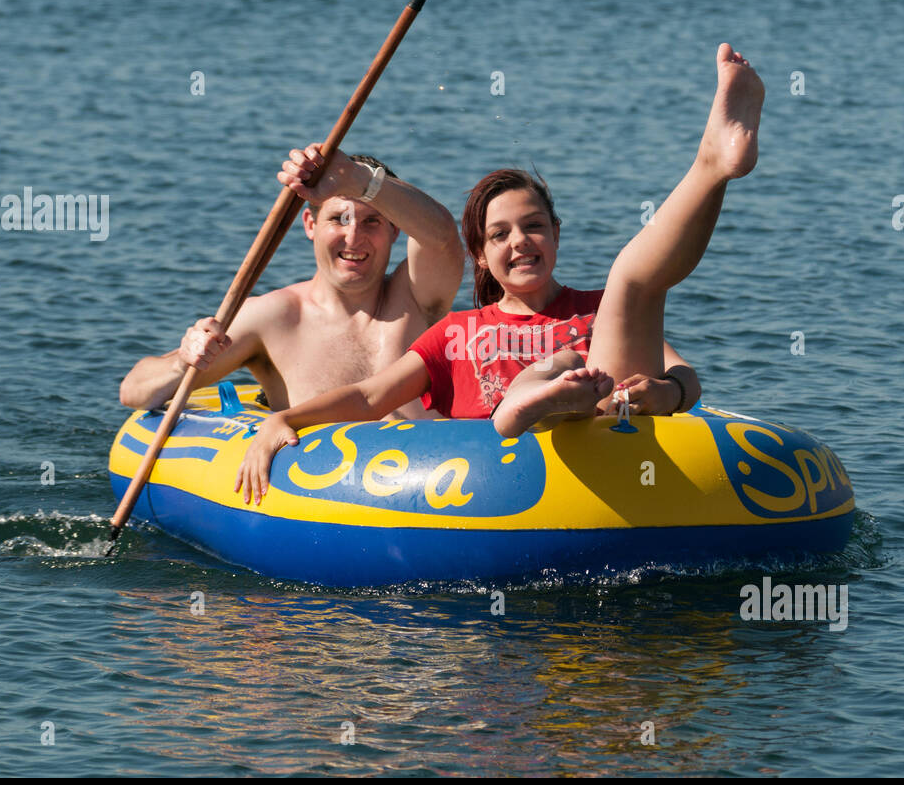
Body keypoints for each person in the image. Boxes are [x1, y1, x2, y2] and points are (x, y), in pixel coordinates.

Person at [235, 43, 765, 504]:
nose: (520, 242)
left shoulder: (600, 312)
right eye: (500, 235)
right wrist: (287, 419)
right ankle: (537, 401)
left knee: (630, 284)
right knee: (609, 306)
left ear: (556, 234)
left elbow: (684, 376)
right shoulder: (456, 333)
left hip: (613, 452)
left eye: (534, 227)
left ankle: (715, 165)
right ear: (481, 257)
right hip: (498, 484)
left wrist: (665, 394)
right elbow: (372, 397)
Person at [118, 145, 464, 418]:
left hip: (431, 494)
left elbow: (443, 239)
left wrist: (358, 180)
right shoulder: (272, 319)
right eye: (339, 219)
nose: (354, 237)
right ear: (310, 225)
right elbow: (134, 390)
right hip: (317, 501)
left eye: (372, 221)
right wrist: (184, 360)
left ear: (395, 229)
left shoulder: (417, 298)